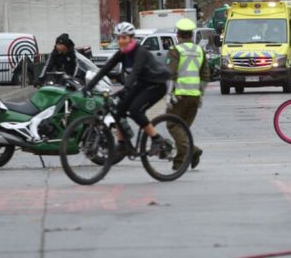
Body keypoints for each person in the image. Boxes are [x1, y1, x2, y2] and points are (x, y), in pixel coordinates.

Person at [84, 22, 172, 155]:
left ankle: (157, 139)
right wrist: (89, 86)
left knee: (135, 110)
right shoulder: (122, 53)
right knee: (118, 110)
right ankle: (122, 143)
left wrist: (126, 88)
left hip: (157, 84)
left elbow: (135, 71)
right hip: (142, 84)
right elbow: (105, 69)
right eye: (118, 38)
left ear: (131, 38)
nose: (121, 41)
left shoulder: (140, 52)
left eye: (124, 37)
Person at [165, 18, 211, 170]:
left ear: (178, 35)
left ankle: (190, 153)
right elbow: (205, 76)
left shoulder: (175, 50)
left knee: (173, 125)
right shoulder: (200, 51)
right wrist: (201, 94)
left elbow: (170, 74)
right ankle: (183, 159)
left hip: (179, 96)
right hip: (194, 97)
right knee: (183, 129)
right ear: (191, 35)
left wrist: (168, 95)